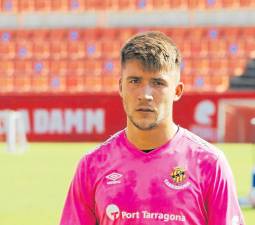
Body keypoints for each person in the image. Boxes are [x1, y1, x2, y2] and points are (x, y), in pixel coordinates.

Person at [59, 31, 245, 225]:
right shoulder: (93, 165)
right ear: (121, 87)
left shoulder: (209, 164)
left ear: (177, 91)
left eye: (158, 83)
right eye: (134, 81)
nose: (145, 94)